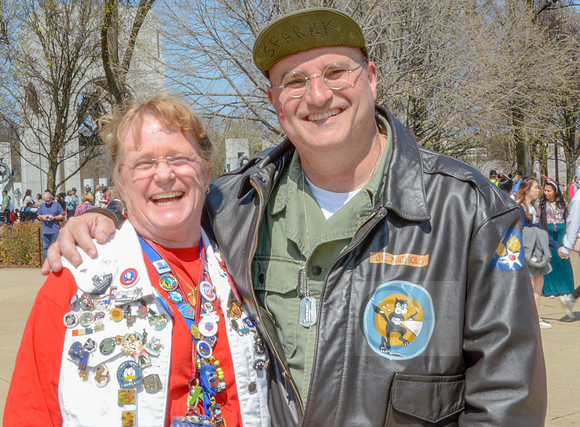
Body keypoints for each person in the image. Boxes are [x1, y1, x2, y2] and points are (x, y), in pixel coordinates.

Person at [44, 8, 546, 425]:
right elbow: (165, 198)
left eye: (336, 72)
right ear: (274, 102)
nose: (318, 96)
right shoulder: (235, 206)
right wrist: (104, 215)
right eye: (295, 81)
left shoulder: (469, 209)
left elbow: (508, 396)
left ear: (372, 79)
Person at [4, 95, 269, 426]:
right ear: (120, 182)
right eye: (144, 163)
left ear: (206, 172)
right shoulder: (76, 280)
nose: (164, 174)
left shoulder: (248, 261)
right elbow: (31, 412)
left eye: (179, 158)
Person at [538, 179, 575, 308]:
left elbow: (568, 217)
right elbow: (539, 219)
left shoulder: (562, 202)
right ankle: (550, 289)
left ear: (555, 191)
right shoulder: (541, 203)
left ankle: (565, 287)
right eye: (545, 190)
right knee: (550, 259)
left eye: (549, 190)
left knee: (563, 259)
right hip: (548, 231)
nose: (546, 193)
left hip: (561, 231)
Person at [37, 191, 65, 258]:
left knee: (57, 247)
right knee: (46, 247)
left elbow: (62, 216)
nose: (47, 202)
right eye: (45, 201)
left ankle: (57, 260)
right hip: (45, 230)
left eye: (48, 200)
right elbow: (38, 216)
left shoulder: (57, 205)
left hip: (55, 230)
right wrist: (42, 217)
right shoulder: (42, 206)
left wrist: (54, 218)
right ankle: (47, 260)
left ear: (51, 198)